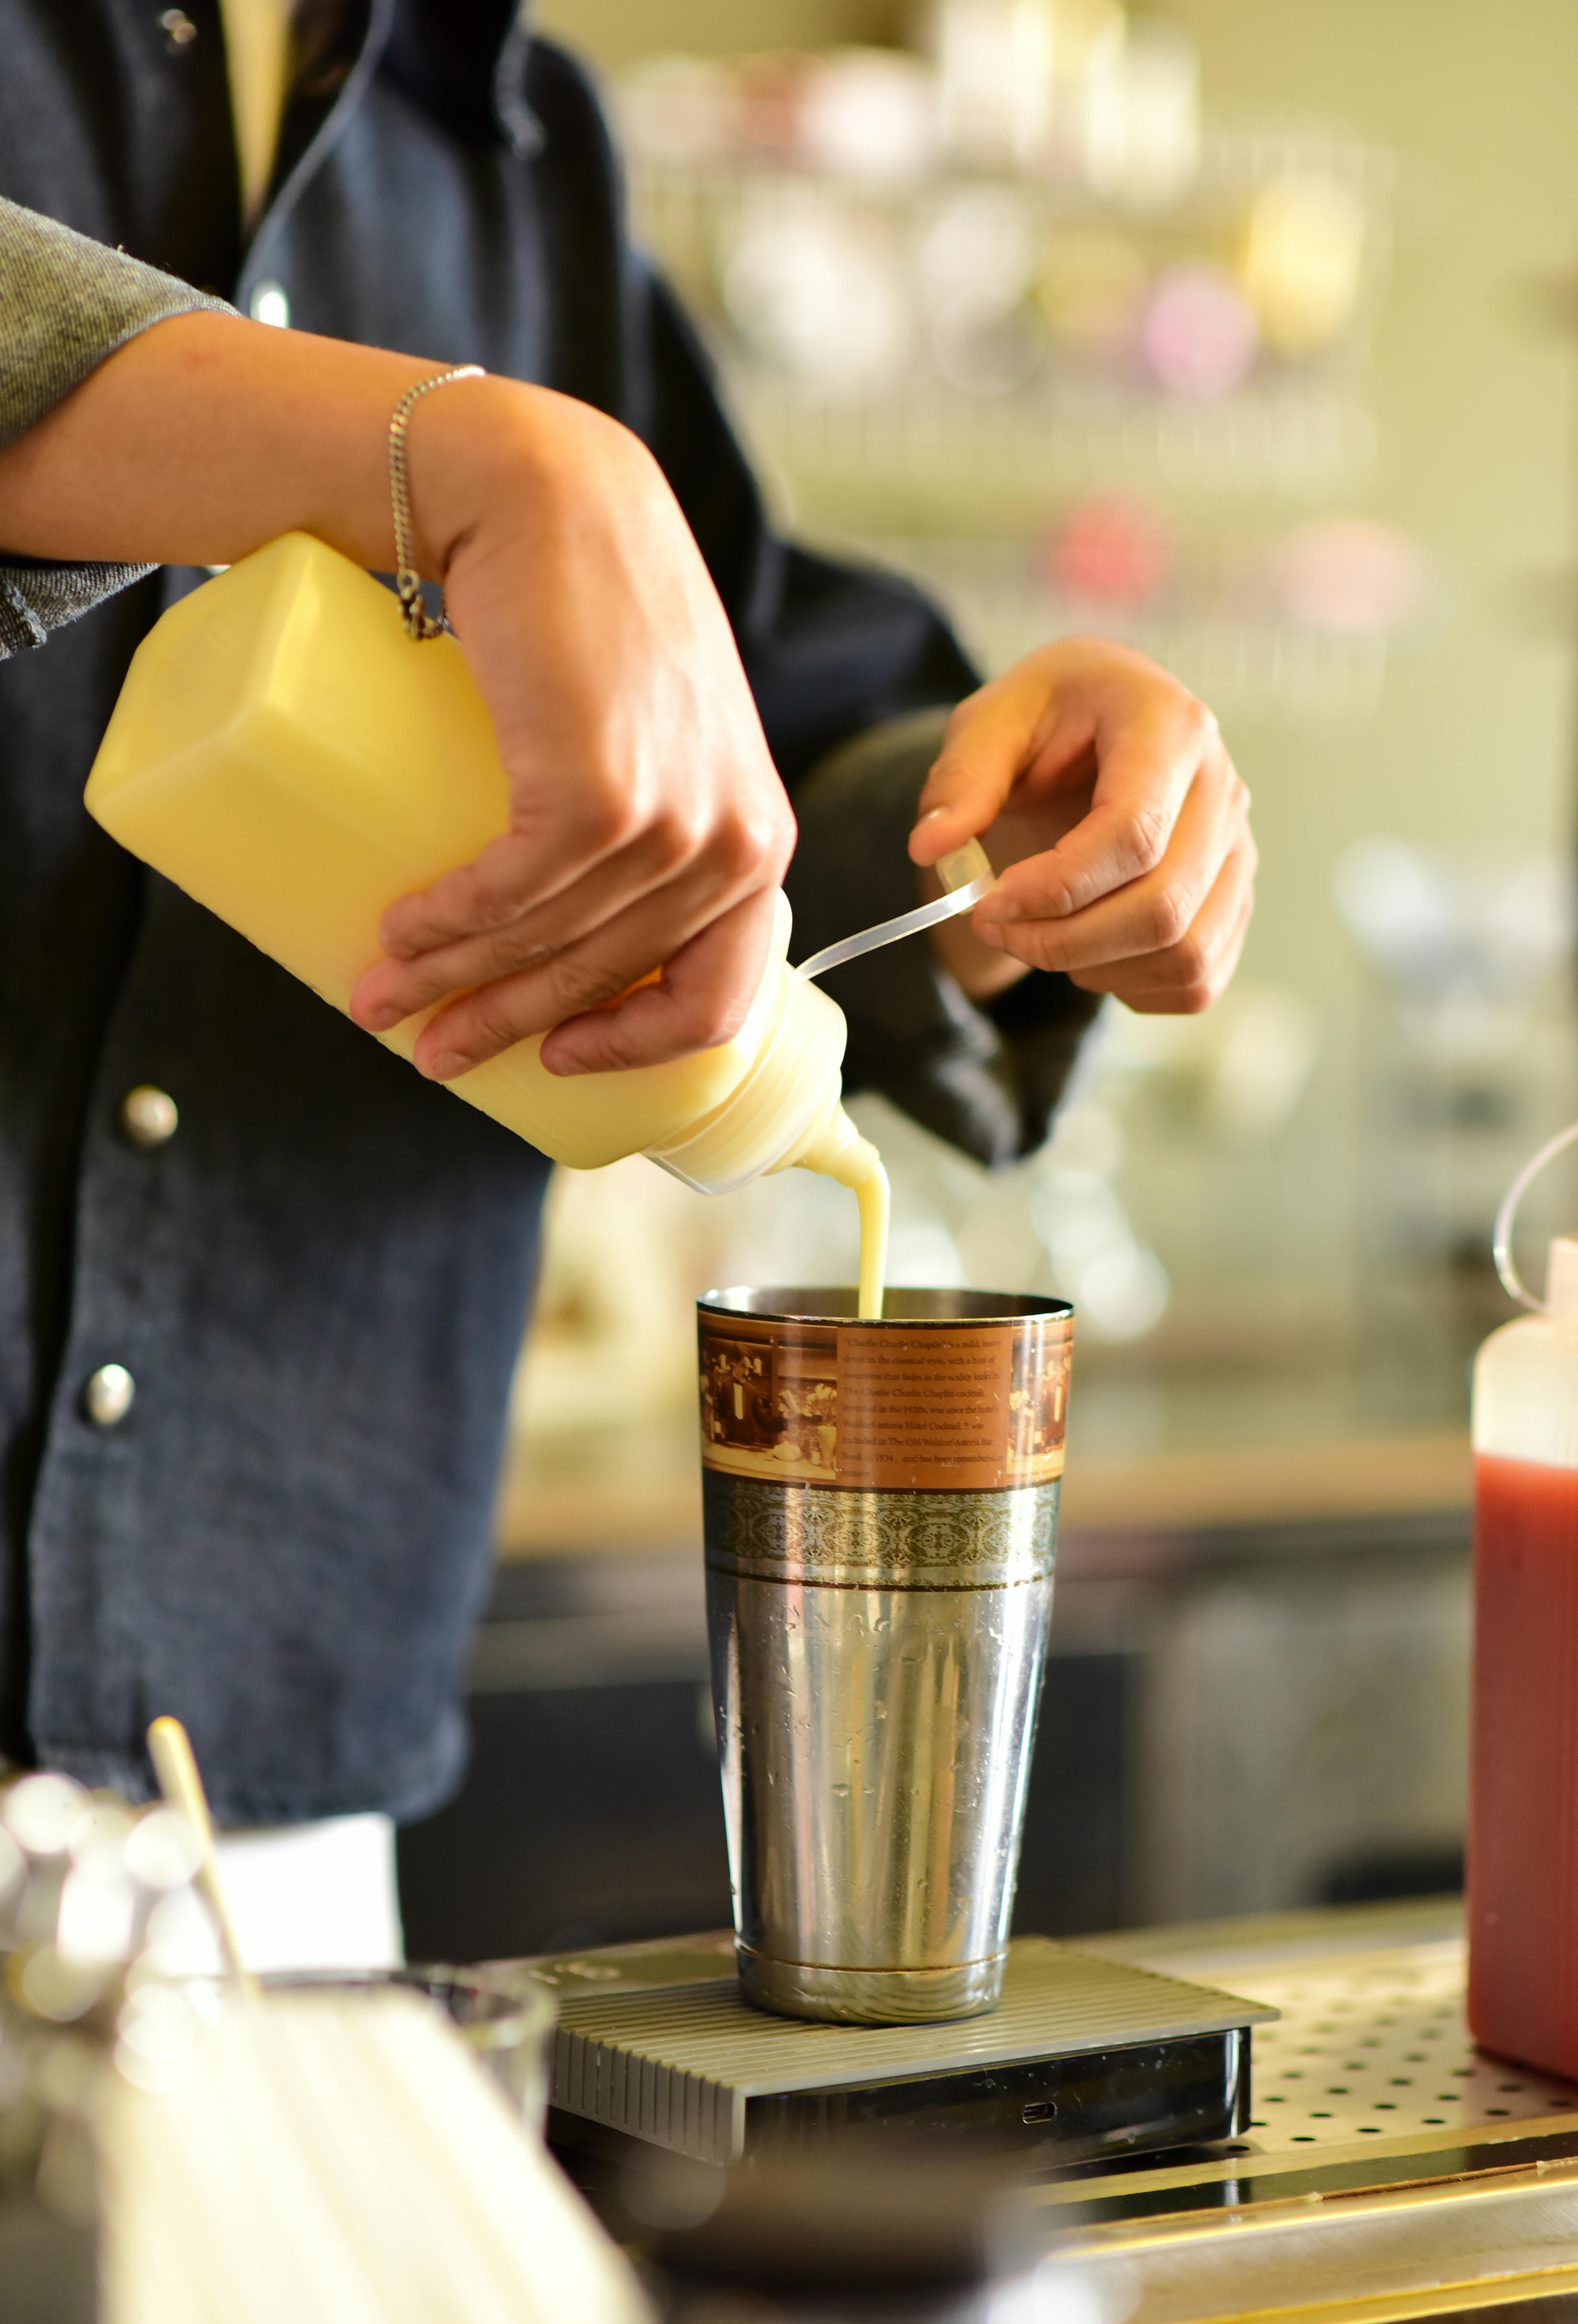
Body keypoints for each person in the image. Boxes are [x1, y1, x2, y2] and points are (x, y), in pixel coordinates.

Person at [0, 1, 1253, 1959]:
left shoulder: (508, 133)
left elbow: (736, 706)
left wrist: (989, 855)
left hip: (272, 1781)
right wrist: (451, 451)